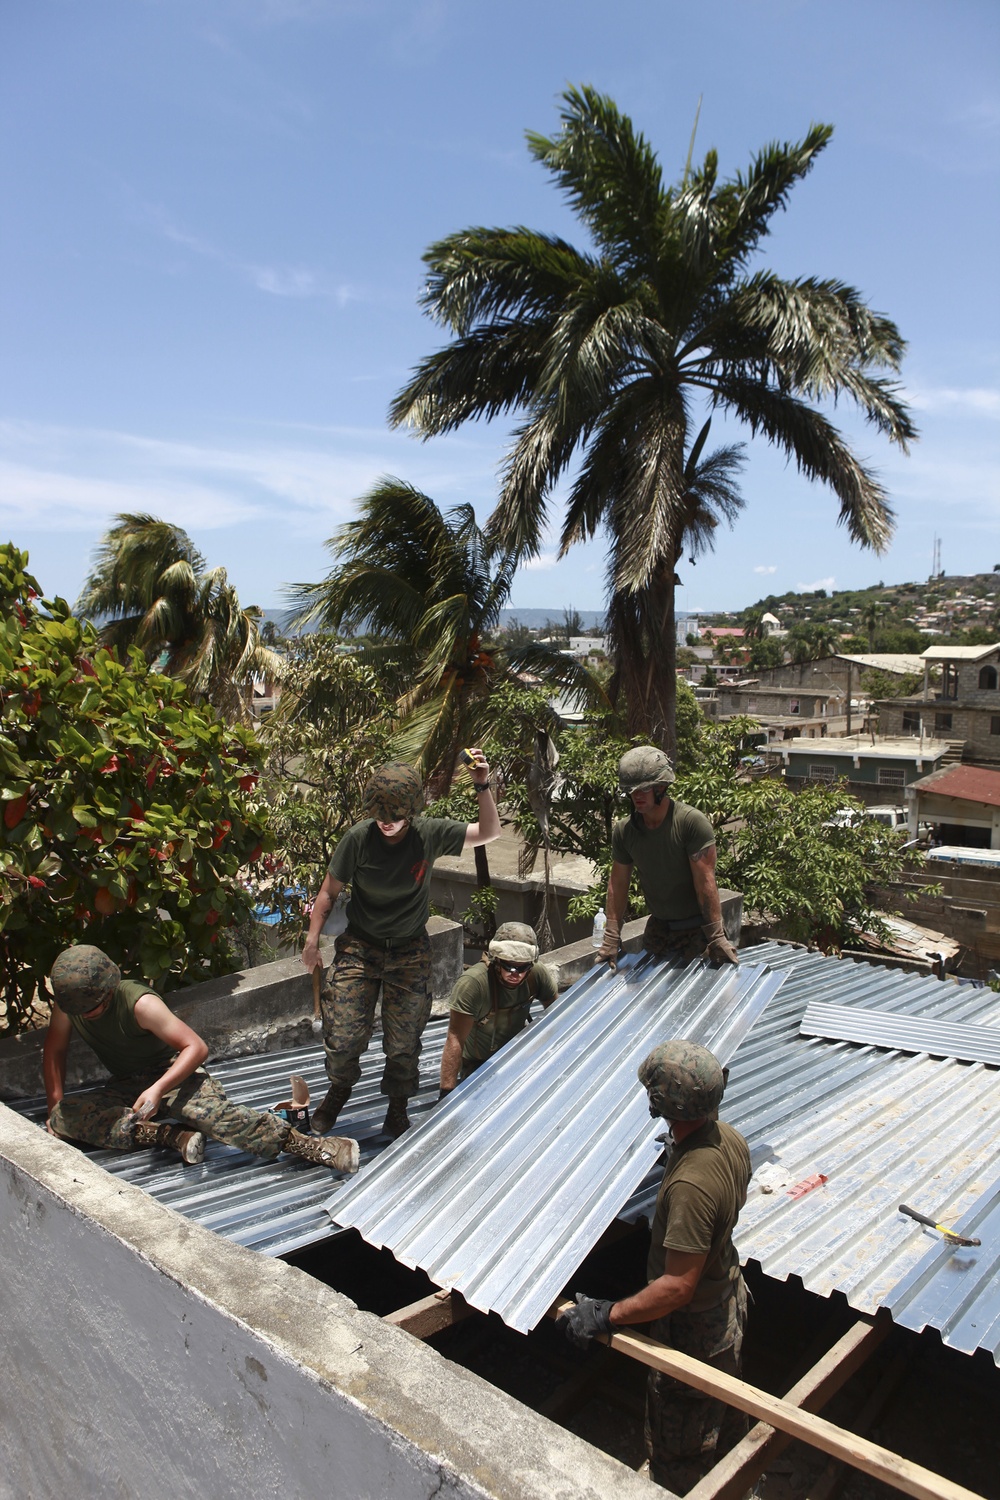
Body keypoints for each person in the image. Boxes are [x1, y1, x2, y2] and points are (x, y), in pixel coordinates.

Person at [558, 1041, 751, 1493]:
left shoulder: (691, 1186)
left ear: (664, 1104)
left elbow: (676, 1288)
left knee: (680, 1431)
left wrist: (606, 1315)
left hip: (694, 1327)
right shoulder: (730, 1140)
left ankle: (676, 1484)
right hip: (727, 1299)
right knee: (721, 1410)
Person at [302, 755, 500, 1139]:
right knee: (342, 1037)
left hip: (409, 952)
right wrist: (312, 940)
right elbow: (329, 892)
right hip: (361, 947)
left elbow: (489, 832)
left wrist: (481, 784)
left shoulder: (429, 834)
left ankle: (398, 1104)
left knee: (404, 1041)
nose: (387, 821)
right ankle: (339, 1090)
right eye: (380, 814)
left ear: (412, 811)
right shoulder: (358, 839)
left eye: (395, 814)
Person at [42, 944, 358, 1172]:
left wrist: (158, 1089)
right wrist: (54, 1112)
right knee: (65, 1114)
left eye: (92, 1009)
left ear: (108, 991)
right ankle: (168, 1136)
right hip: (129, 1084)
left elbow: (196, 1047)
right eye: (79, 1011)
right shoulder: (72, 1005)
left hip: (175, 1074)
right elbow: (54, 1052)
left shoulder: (139, 1003)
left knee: (207, 1115)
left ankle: (311, 1146)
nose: (85, 1016)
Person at [594, 746, 739, 968]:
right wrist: (611, 937)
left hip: (697, 931)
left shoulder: (691, 823)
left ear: (661, 787)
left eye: (644, 789)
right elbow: (618, 883)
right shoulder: (625, 831)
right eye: (632, 791)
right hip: (659, 929)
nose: (637, 796)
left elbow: (705, 883)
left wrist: (716, 936)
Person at [438, 922, 558, 1096]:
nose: (514, 973)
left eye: (522, 967)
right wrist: (445, 1094)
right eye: (508, 966)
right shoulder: (473, 984)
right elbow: (455, 1038)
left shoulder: (537, 975)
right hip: (479, 1064)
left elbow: (558, 1018)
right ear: (496, 961)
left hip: (520, 1055)